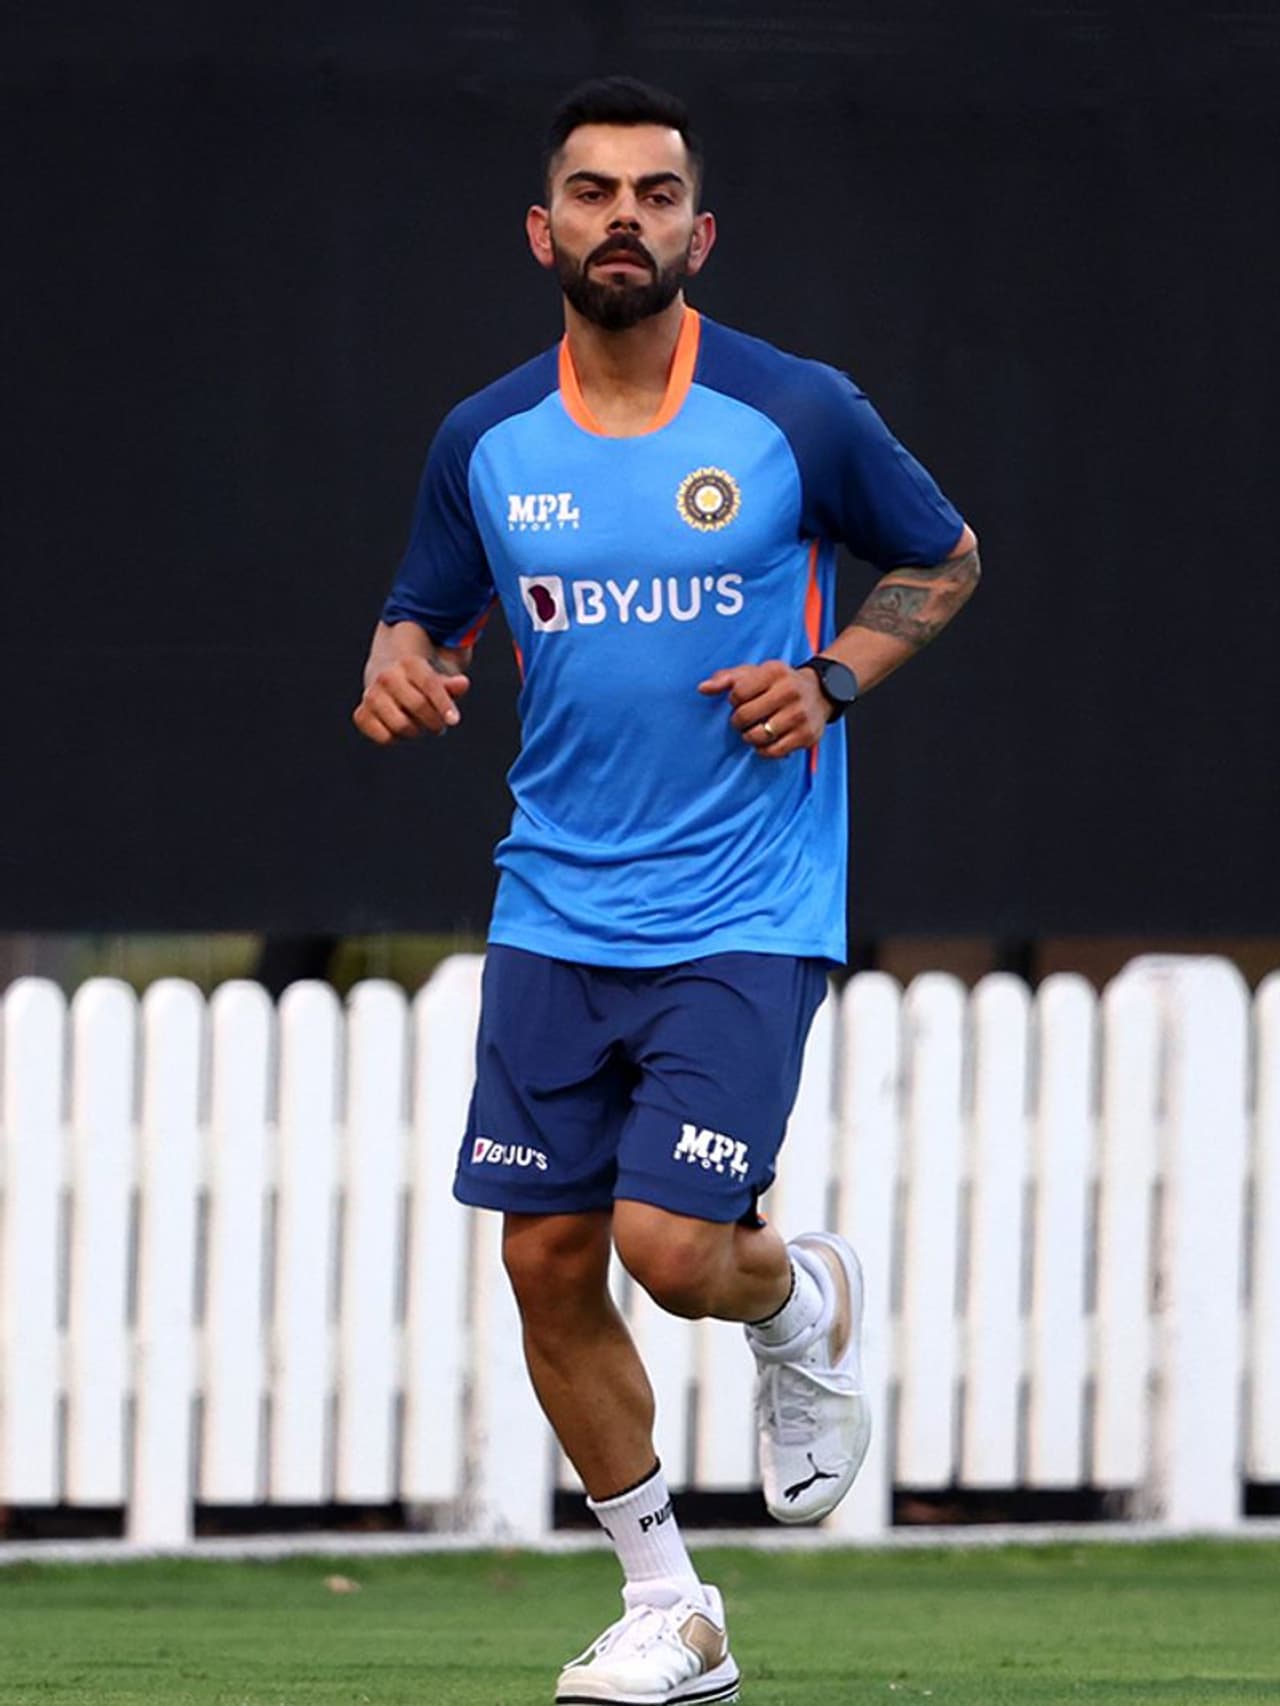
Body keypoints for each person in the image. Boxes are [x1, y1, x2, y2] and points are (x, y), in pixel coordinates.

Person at [355, 75, 979, 1706]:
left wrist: (832, 678)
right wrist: (398, 656)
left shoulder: (795, 412)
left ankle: (801, 1300)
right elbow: (426, 610)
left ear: (702, 232)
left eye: (653, 193)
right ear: (541, 230)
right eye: (592, 190)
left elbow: (945, 554)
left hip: (745, 904)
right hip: (553, 904)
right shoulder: (486, 440)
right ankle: (670, 1607)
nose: (621, 216)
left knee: (677, 1248)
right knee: (547, 1262)